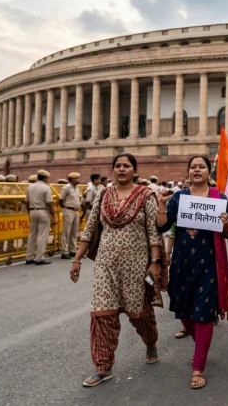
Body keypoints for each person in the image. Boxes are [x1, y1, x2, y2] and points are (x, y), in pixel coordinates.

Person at [70, 153, 164, 387]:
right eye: (118, 166)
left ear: (134, 170)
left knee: (139, 314)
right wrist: (77, 259)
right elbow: (91, 227)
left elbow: (153, 232)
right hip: (106, 264)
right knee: (102, 314)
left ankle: (150, 342)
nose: (122, 169)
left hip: (136, 264)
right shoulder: (104, 194)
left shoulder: (146, 196)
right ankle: (103, 367)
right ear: (112, 170)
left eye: (127, 166)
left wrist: (155, 262)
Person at [156, 155, 228, 389]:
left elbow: (227, 232)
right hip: (182, 263)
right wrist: (161, 204)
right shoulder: (179, 197)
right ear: (188, 172)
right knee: (183, 311)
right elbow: (163, 226)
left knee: (203, 315)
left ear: (209, 172)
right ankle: (201, 341)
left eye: (202, 166)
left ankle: (198, 365)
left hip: (209, 264)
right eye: (193, 167)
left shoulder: (219, 198)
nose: (197, 170)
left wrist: (227, 223)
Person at [25, 170, 55, 265]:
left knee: (32, 234)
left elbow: (26, 201)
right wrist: (53, 215)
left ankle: (29, 257)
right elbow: (49, 203)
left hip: (32, 210)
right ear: (46, 178)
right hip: (43, 211)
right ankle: (39, 257)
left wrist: (29, 211)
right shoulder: (46, 188)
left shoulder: (30, 187)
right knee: (42, 235)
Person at [58, 172, 82, 259]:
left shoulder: (77, 188)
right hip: (68, 210)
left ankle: (72, 250)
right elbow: (60, 200)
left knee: (74, 231)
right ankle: (64, 251)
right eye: (77, 178)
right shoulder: (66, 188)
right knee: (66, 231)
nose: (78, 180)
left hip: (76, 211)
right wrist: (64, 207)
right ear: (72, 179)